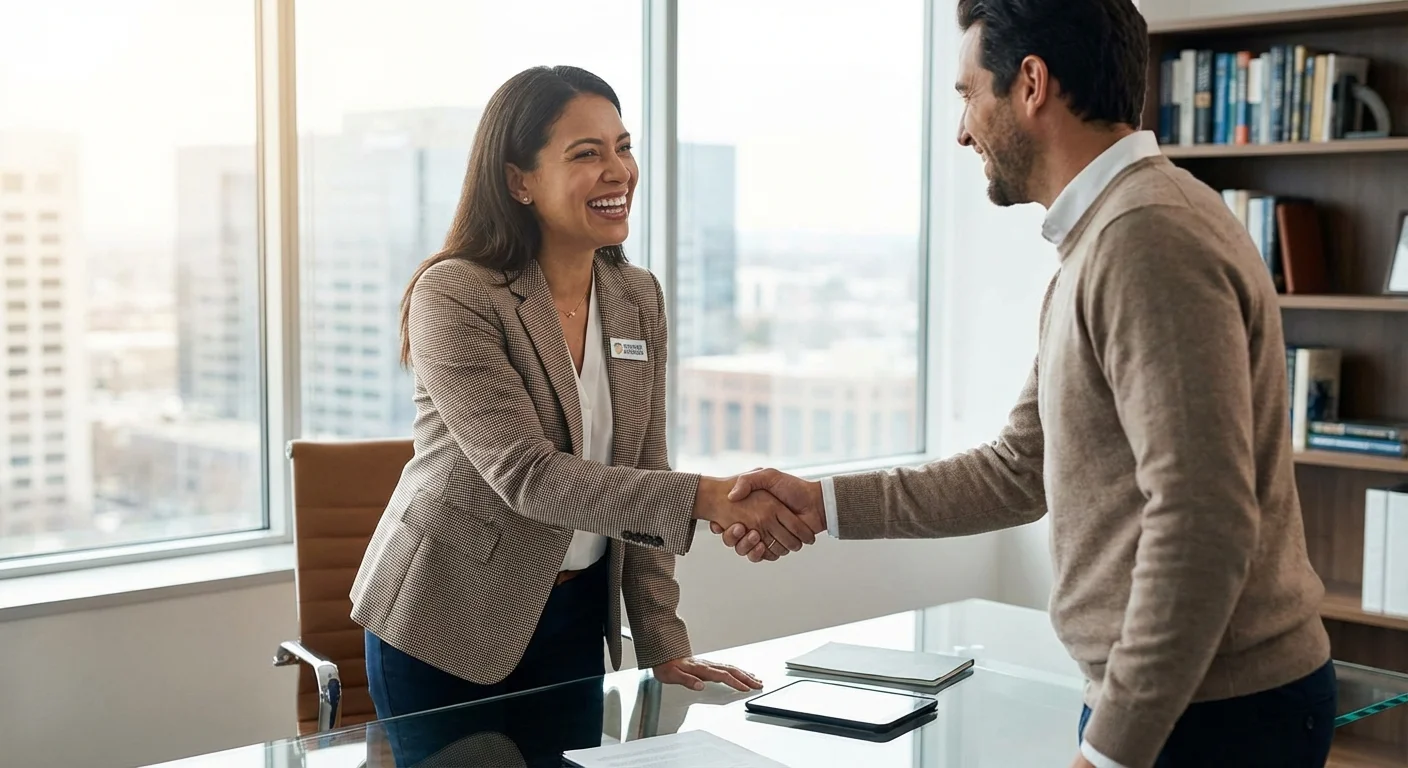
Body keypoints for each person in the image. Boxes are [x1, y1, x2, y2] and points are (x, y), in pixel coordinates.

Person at [714, 2, 1337, 767]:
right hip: (1181, 706)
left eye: (969, 94)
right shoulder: (1109, 235)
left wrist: (1109, 752)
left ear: (1032, 84)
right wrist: (823, 504)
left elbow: (1202, 521)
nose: (962, 130)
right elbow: (1018, 468)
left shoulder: (1146, 240)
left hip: (1211, 717)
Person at [349, 65, 815, 763]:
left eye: (623, 147)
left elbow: (644, 468)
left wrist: (661, 640)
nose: (618, 171)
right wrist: (709, 497)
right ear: (519, 181)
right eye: (586, 153)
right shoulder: (456, 294)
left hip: (573, 617)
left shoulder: (636, 296)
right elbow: (527, 476)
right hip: (446, 616)